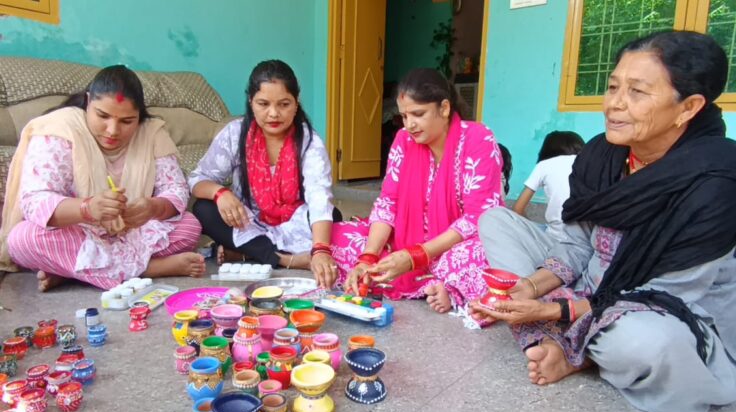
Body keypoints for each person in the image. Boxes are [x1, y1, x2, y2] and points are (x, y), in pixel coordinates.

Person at [471, 31, 736, 412]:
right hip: (591, 287)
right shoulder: (603, 154)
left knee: (647, 345)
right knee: (497, 221)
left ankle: (578, 353)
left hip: (663, 310)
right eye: (613, 86)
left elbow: (666, 293)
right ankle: (576, 339)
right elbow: (576, 245)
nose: (614, 104)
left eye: (637, 92)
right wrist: (528, 287)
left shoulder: (720, 178)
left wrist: (551, 312)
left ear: (688, 107)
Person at [0, 65, 204, 291]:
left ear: (139, 115)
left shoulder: (152, 133)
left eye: (127, 121)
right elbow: (34, 201)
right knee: (22, 239)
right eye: (103, 116)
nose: (112, 130)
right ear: (88, 101)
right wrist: (87, 209)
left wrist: (153, 207)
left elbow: (175, 189)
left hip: (132, 233)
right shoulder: (60, 128)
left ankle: (72, 272)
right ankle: (149, 269)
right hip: (77, 232)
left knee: (189, 226)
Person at [332, 68, 504, 314]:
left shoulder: (477, 138)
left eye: (418, 114)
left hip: (452, 246)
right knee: (339, 236)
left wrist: (418, 256)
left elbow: (478, 217)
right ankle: (435, 284)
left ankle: (447, 286)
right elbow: (388, 203)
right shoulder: (404, 139)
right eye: (404, 116)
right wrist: (368, 258)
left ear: (444, 108)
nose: (409, 124)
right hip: (405, 243)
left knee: (478, 256)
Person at [188, 60, 338, 288]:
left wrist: (321, 251)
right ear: (251, 102)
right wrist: (220, 194)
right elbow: (198, 179)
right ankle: (286, 259)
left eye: (284, 104)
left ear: (296, 102)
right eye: (263, 104)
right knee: (203, 209)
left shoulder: (309, 141)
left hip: (294, 221)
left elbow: (319, 196)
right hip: (248, 221)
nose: (273, 114)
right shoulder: (235, 133)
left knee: (332, 216)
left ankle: (248, 254)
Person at [511, 131, 584, 242]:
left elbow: (517, 209)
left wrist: (533, 230)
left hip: (556, 238)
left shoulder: (544, 165)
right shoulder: (588, 163)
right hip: (588, 238)